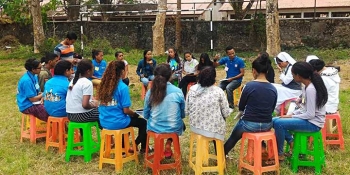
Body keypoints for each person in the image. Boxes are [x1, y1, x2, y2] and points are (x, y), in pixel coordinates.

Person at [273, 61, 328, 161]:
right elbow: (304, 108)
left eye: (293, 75)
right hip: (309, 120)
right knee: (275, 120)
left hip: (313, 124)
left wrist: (292, 116)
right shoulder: (306, 86)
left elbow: (310, 114)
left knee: (279, 123)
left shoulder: (311, 89)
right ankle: (291, 142)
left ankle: (279, 154)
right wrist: (292, 113)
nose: (293, 77)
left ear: (298, 75)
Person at [223, 55, 277, 157]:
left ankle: (222, 153)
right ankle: (262, 149)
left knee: (234, 137)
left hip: (249, 124)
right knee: (258, 130)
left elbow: (241, 107)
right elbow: (272, 108)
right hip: (267, 124)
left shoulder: (249, 86)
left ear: (254, 71)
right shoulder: (273, 88)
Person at [98, 60, 148, 153]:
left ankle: (123, 145)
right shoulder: (122, 87)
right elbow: (126, 110)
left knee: (127, 120)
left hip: (104, 121)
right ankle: (136, 145)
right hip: (117, 122)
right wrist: (135, 114)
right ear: (122, 71)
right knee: (143, 123)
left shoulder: (103, 85)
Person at [144, 63, 185, 158]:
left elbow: (146, 114)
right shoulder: (178, 91)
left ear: (154, 76)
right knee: (181, 124)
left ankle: (159, 150)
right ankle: (169, 143)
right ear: (170, 75)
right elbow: (182, 114)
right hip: (173, 127)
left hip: (154, 127)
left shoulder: (150, 92)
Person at [186, 66, 232, 143]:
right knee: (219, 119)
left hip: (195, 127)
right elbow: (226, 113)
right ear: (214, 78)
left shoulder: (192, 90)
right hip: (213, 129)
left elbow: (187, 111)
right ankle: (218, 149)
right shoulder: (218, 91)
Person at [66, 59, 100, 125]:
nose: (93, 71)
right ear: (88, 71)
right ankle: (108, 131)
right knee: (103, 112)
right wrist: (94, 105)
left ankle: (84, 134)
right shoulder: (87, 83)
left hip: (70, 115)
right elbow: (85, 105)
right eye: (93, 69)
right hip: (82, 116)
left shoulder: (73, 81)